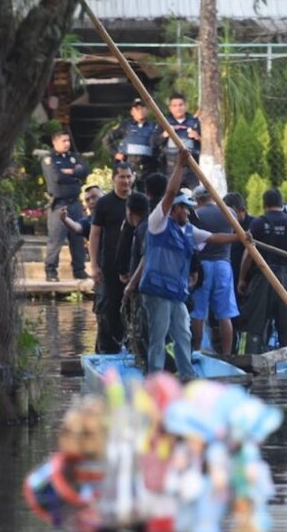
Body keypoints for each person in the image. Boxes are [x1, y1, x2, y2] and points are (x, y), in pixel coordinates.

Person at [140, 156, 240, 380]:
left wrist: (240, 238)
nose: (189, 212)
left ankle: (187, 375)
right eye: (185, 209)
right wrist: (179, 166)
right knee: (159, 335)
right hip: (157, 291)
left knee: (183, 334)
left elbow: (214, 237)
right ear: (176, 209)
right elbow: (168, 194)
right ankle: (154, 378)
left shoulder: (188, 230)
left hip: (176, 292)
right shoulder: (159, 222)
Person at [237, 188, 287, 354]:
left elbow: (248, 254)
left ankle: (251, 361)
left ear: (264, 204)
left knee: (255, 325)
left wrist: (242, 279)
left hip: (262, 278)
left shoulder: (258, 223)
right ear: (281, 204)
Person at [123, 173, 168, 371]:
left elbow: (145, 258)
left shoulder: (144, 229)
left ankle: (151, 368)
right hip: (159, 284)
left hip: (147, 286)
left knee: (146, 329)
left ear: (130, 212)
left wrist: (132, 283)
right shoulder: (154, 223)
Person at [89, 162, 135, 353]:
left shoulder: (138, 201)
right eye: (121, 177)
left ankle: (133, 346)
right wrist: (94, 265)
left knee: (134, 306)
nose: (125, 181)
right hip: (110, 264)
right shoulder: (104, 203)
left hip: (134, 265)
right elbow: (95, 234)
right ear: (113, 178)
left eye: (128, 176)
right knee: (110, 306)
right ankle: (109, 348)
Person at [189, 186, 240, 358]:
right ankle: (227, 354)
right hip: (223, 265)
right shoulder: (229, 213)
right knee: (224, 314)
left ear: (197, 199)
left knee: (198, 312)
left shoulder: (196, 215)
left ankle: (197, 350)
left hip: (202, 266)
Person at [41, 130, 90, 282]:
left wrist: (70, 172)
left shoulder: (73, 157)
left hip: (74, 203)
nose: (67, 143)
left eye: (68, 140)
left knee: (77, 238)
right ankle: (51, 271)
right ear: (55, 142)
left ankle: (79, 270)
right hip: (59, 204)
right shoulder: (49, 159)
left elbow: (85, 171)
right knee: (56, 239)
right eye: (63, 141)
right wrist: (74, 173)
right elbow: (57, 177)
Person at [102, 98, 159, 190]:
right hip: (127, 167)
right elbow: (106, 139)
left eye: (142, 108)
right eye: (137, 109)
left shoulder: (154, 126)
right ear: (132, 112)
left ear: (147, 110)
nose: (140, 111)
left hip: (147, 169)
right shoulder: (126, 125)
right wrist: (115, 153)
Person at [153, 93, 201, 189]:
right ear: (170, 108)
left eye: (180, 105)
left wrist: (198, 137)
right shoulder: (164, 122)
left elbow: (209, 145)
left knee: (195, 198)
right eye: (175, 105)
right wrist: (164, 135)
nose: (178, 108)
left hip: (191, 169)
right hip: (171, 169)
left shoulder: (195, 122)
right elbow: (153, 142)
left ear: (186, 106)